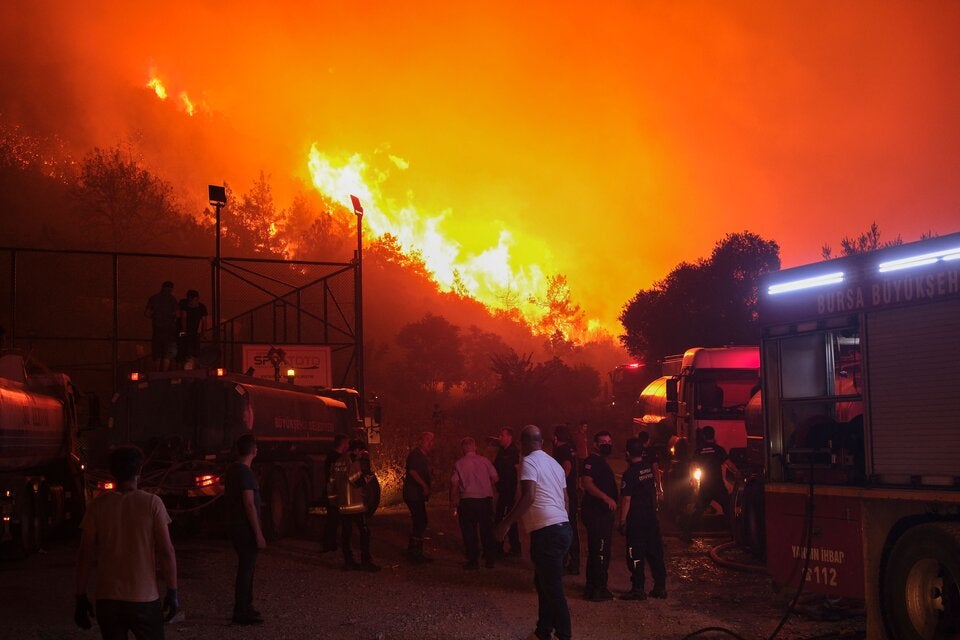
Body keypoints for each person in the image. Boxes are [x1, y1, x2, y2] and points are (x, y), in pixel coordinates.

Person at [75, 445, 179, 639]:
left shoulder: (97, 506)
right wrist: (172, 591)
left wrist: (80, 596)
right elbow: (167, 551)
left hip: (108, 599)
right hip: (144, 598)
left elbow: (85, 554)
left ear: (111, 472)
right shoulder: (152, 503)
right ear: (139, 471)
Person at [494, 425, 573, 640]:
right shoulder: (554, 464)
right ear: (542, 442)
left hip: (547, 532)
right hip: (562, 528)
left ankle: (564, 634)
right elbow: (565, 499)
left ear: (523, 444)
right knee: (543, 581)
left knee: (552, 586)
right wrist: (560, 522)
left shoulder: (529, 461)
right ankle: (543, 630)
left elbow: (528, 496)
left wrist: (505, 523)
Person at [224, 434, 266, 625]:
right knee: (246, 570)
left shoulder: (232, 471)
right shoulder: (245, 473)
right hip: (245, 529)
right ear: (253, 450)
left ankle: (246, 607)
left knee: (246, 568)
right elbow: (249, 504)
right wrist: (258, 534)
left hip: (235, 525)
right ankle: (242, 610)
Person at [619, 434, 667, 600]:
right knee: (655, 552)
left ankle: (638, 589)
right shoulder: (647, 467)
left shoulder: (629, 474)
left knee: (635, 553)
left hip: (636, 520)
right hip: (651, 517)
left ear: (627, 454)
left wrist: (622, 520)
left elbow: (626, 499)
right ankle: (660, 587)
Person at [682, 425, 739, 542]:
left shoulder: (699, 450)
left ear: (703, 436)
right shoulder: (719, 449)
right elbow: (729, 464)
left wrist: (692, 480)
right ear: (714, 435)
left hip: (705, 486)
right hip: (718, 485)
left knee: (698, 511)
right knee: (728, 509)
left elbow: (692, 466)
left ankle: (686, 535)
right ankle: (735, 536)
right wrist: (738, 473)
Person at [450, 436, 499, 570]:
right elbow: (495, 477)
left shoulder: (459, 464)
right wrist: (486, 486)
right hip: (484, 499)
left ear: (463, 449)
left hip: (467, 500)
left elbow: (454, 484)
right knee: (487, 530)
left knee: (469, 531)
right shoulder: (485, 461)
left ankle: (473, 560)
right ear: (475, 447)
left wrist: (453, 500)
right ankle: (489, 559)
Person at [580, 430, 618, 601]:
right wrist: (606, 498)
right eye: (603, 441)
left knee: (598, 550)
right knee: (600, 551)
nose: (607, 444)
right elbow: (587, 483)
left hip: (602, 514)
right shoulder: (592, 461)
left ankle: (592, 586)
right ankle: (598, 589)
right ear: (595, 444)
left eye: (609, 441)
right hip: (597, 514)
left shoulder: (602, 462)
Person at [339, 439, 381, 572]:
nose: (362, 455)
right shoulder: (353, 462)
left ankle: (348, 561)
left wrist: (335, 501)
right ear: (357, 450)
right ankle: (366, 561)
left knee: (346, 532)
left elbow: (332, 482)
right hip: (355, 504)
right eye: (361, 452)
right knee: (364, 532)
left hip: (343, 504)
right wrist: (368, 477)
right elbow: (356, 481)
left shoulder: (338, 461)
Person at [403, 431, 435, 564]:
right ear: (421, 441)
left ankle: (413, 550)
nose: (431, 443)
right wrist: (424, 486)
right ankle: (415, 554)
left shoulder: (423, 455)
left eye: (432, 441)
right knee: (421, 520)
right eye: (428, 440)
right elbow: (412, 471)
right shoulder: (415, 454)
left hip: (416, 494)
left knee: (419, 520)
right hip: (413, 493)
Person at [552, 424, 580, 575]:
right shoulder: (570, 448)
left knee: (565, 527)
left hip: (565, 494)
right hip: (571, 492)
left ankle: (565, 562)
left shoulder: (562, 450)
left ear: (556, 437)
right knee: (572, 527)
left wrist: (557, 483)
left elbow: (567, 468)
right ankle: (573, 562)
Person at [493, 427, 522, 557]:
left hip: (511, 491)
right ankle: (499, 546)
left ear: (509, 437)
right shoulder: (501, 451)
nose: (500, 438)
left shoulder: (514, 452)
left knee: (509, 518)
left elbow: (518, 471)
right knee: (500, 518)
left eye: (502, 435)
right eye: (500, 435)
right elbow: (495, 468)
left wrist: (518, 491)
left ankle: (514, 547)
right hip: (503, 490)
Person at [322, 434, 350, 554]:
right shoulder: (340, 459)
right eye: (347, 443)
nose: (348, 446)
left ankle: (330, 544)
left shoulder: (330, 457)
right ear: (343, 444)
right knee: (334, 521)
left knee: (332, 520)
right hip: (336, 494)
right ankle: (330, 544)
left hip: (331, 493)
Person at [144, 281, 178, 371]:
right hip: (169, 330)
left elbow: (147, 313)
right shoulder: (172, 299)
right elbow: (177, 314)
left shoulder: (154, 298)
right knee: (167, 353)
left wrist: (156, 316)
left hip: (157, 329)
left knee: (157, 352)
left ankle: (156, 372)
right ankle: (164, 373)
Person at [176, 289, 208, 370]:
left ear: (197, 299)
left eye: (193, 300)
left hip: (195, 333)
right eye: (190, 300)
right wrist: (183, 331)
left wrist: (203, 333)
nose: (191, 302)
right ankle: (182, 368)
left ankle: (195, 368)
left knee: (195, 351)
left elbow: (204, 321)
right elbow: (183, 319)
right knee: (184, 350)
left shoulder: (201, 307)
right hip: (185, 332)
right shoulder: (184, 305)